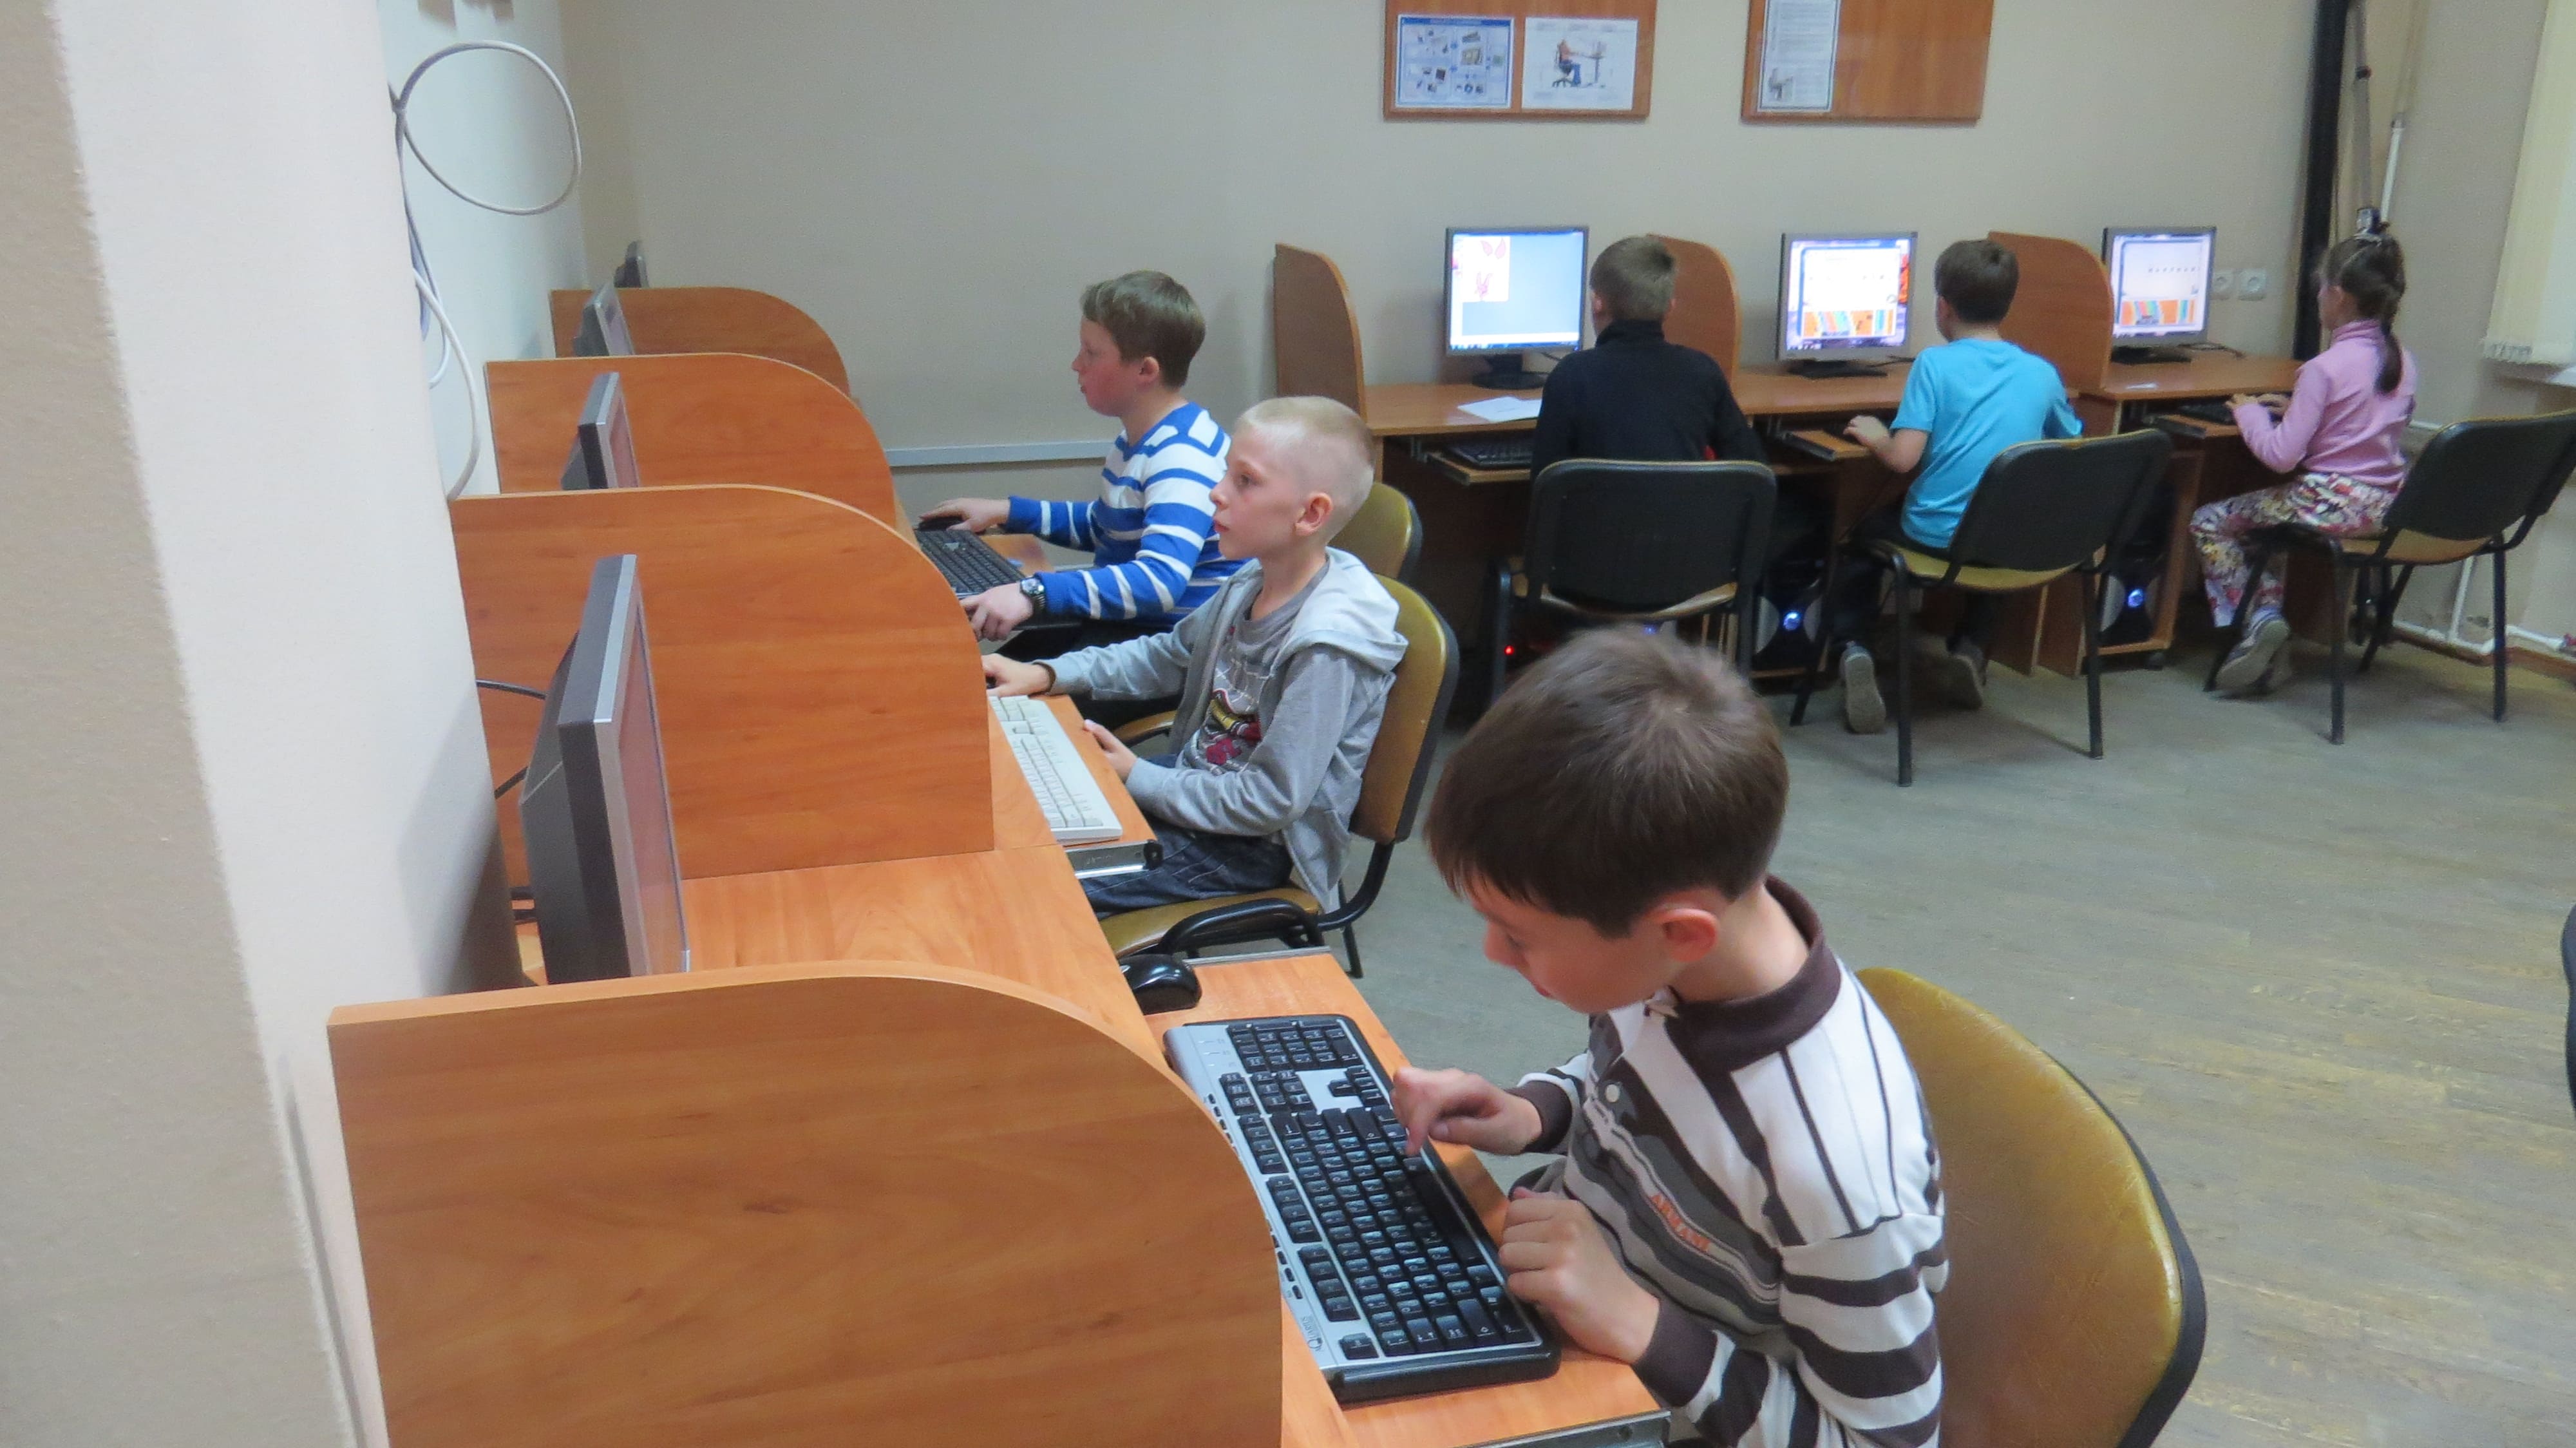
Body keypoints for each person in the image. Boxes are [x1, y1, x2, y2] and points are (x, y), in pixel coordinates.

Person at [1396, 630, 1944, 1447]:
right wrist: (1532, 1112)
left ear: (1679, 932)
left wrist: (1641, 1322)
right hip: (1568, 1286)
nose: (1492, 954)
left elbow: (1886, 1442)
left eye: (1518, 935)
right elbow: (1629, 1076)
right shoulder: (1676, 968)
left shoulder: (1833, 1176)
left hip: (1661, 1404)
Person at [982, 397, 1406, 915]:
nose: (1216, 492)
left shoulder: (1326, 647)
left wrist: (1138, 776)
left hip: (1254, 848)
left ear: (1310, 513)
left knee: (1032, 888)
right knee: (1014, 825)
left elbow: (1271, 802)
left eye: (1245, 481)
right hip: (1193, 791)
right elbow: (1166, 656)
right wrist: (1047, 673)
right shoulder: (1250, 582)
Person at [1828, 237, 2083, 732]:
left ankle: (1852, 648)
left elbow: (1903, 459)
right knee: (1995, 524)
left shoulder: (1934, 365)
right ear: (2008, 304)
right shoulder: (2042, 373)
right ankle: (1971, 649)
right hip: (2008, 544)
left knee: (1856, 538)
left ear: (1943, 307)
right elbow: (2069, 446)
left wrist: (1878, 435)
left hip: (1934, 537)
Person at [925, 270, 1237, 656]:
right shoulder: (1141, 440)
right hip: (1129, 632)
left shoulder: (1182, 458)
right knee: (979, 673)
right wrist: (1008, 512)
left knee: (989, 684)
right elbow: (1111, 527)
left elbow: (1158, 582)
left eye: (1091, 353)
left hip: (1160, 650)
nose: (1077, 364)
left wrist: (1034, 593)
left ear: (1145, 370)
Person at [2192, 233, 2417, 694]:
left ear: (2337, 295)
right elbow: (2362, 429)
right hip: (2385, 509)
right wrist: (2299, 411)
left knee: (2211, 521)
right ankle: (2269, 639)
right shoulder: (2402, 361)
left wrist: (2250, 413)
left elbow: (2280, 457)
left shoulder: (2323, 368)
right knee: (2263, 523)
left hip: (2329, 505)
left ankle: (2262, 619)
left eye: (2320, 290)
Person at [1527, 235, 1766, 482]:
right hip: (1684, 508)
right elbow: (1752, 470)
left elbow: (1544, 480)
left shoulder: (1572, 374)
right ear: (1670, 307)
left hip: (1600, 509)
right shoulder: (1702, 371)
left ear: (1597, 303)